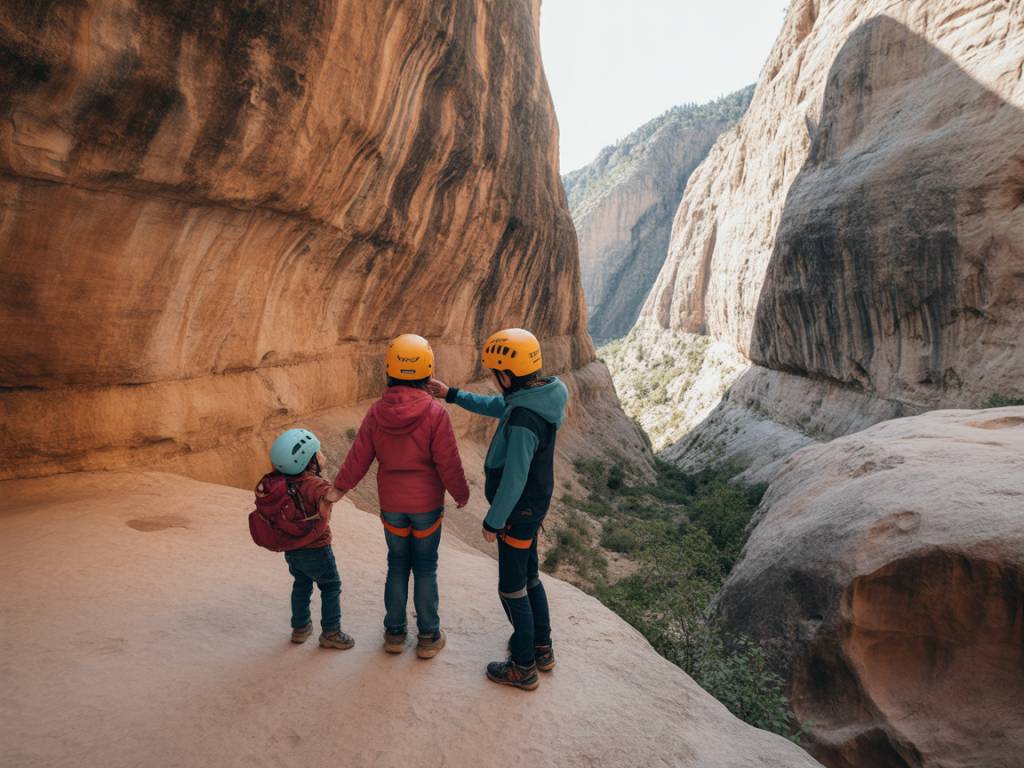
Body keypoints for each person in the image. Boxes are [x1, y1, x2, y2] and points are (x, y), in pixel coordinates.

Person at [427, 328, 568, 690]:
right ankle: (542, 647)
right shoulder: (538, 396)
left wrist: (494, 520)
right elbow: (496, 406)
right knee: (531, 576)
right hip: (532, 509)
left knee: (511, 587)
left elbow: (514, 478)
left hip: (517, 514)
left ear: (506, 375)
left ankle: (523, 666)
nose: (494, 379)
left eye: (495, 373)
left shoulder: (523, 420)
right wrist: (453, 395)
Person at [326, 334, 470, 658]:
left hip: (392, 506)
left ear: (389, 370)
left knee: (397, 563)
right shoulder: (435, 414)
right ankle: (429, 637)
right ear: (428, 372)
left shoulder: (377, 413)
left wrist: (339, 488)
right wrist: (460, 492)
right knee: (425, 567)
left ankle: (394, 634)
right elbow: (448, 461)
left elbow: (359, 456)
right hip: (427, 507)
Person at [261, 428, 354, 649]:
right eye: (318, 453)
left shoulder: (281, 482)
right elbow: (332, 494)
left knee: (301, 584)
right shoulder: (313, 484)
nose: (322, 456)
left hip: (292, 549)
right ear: (307, 460)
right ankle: (331, 632)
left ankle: (300, 628)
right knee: (331, 586)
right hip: (317, 548)